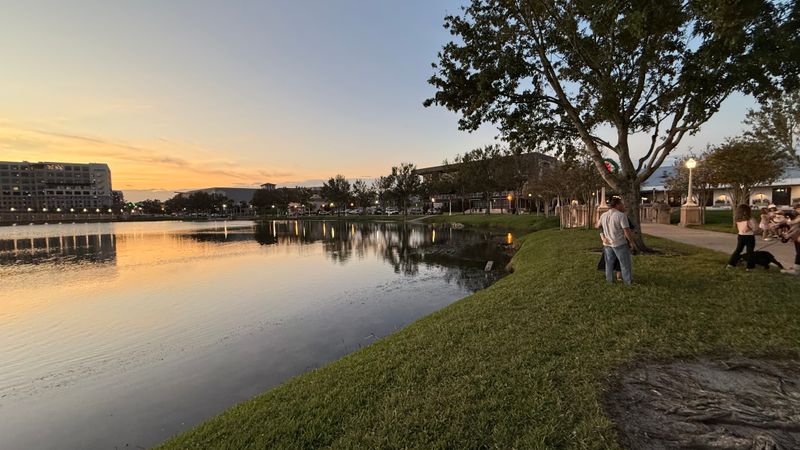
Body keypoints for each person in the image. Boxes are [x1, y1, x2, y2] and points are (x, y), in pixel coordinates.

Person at [598, 197, 636, 285]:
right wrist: (631, 242)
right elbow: (626, 231)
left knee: (609, 263)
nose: (623, 206)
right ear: (617, 205)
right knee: (625, 263)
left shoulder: (603, 215)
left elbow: (597, 225)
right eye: (622, 204)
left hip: (607, 243)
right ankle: (628, 282)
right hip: (619, 243)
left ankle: (609, 280)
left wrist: (603, 235)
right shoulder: (621, 215)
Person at [726, 204, 758, 270]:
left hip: (740, 236)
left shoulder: (738, 219)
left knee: (738, 250)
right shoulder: (750, 219)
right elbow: (756, 228)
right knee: (750, 252)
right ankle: (750, 267)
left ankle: (731, 264)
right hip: (749, 237)